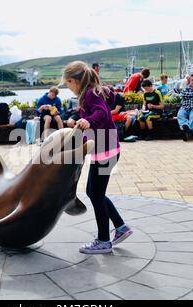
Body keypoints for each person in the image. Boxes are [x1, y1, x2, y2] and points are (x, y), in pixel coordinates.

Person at [61, 61, 133, 255]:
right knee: (94, 192)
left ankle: (103, 240)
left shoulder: (90, 94)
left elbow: (101, 113)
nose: (69, 88)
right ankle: (120, 227)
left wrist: (88, 120)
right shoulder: (93, 92)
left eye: (68, 84)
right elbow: (102, 112)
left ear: (74, 81)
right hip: (106, 149)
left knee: (96, 195)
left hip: (106, 151)